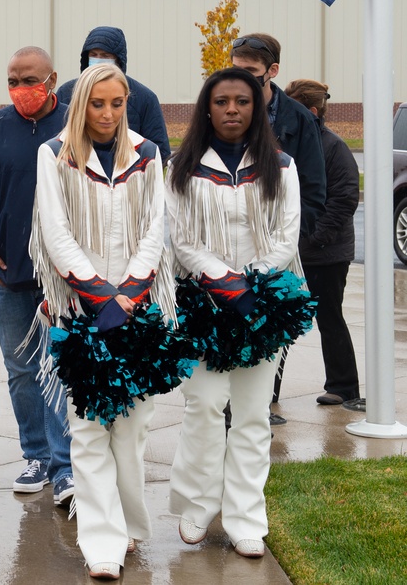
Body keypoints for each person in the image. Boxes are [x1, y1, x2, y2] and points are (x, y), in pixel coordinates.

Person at [31, 63, 168, 580]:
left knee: (132, 429)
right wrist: (97, 296)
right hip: (78, 309)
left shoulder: (149, 154)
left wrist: (129, 294)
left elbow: (158, 227)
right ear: (81, 103)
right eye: (97, 103)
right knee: (87, 429)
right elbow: (54, 229)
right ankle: (101, 540)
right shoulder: (54, 154)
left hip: (137, 310)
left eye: (116, 103)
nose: (107, 114)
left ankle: (130, 524)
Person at [166, 67, 302, 560]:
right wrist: (223, 283)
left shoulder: (281, 166)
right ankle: (198, 505)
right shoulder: (183, 166)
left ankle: (246, 517)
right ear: (207, 107)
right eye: (221, 101)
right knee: (202, 404)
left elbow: (288, 236)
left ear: (257, 106)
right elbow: (181, 240)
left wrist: (252, 285)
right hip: (204, 303)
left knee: (251, 414)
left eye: (241, 101)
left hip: (261, 307)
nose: (231, 110)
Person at [0, 46, 75, 509]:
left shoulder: (75, 127)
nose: (22, 90)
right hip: (8, 275)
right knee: (22, 368)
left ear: (53, 80)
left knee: (61, 367)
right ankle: (36, 456)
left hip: (64, 276)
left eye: (31, 80)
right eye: (13, 81)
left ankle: (65, 466)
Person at [231, 33, 326, 422]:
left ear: (272, 71)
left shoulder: (298, 119)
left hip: (279, 251)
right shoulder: (222, 109)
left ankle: (265, 403)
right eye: (237, 71)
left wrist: (290, 243)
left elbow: (314, 191)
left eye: (251, 73)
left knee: (271, 333)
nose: (243, 81)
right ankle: (228, 405)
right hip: (228, 248)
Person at [285, 79, 363, 411]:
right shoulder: (289, 145)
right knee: (278, 325)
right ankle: (263, 395)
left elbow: (344, 200)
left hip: (326, 256)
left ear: (312, 112)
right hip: (290, 252)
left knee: (329, 319)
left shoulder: (334, 148)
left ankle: (344, 388)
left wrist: (311, 241)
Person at [56, 26, 171, 161]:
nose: (98, 59)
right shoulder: (67, 92)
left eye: (105, 55)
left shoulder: (144, 98)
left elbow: (159, 151)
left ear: (118, 59)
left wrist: (130, 172)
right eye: (94, 54)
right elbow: (58, 143)